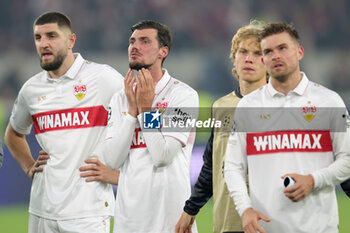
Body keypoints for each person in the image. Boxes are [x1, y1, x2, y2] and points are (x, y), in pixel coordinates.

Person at [224, 22, 350, 233]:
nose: (275, 56)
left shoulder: (328, 101)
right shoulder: (249, 106)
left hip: (319, 228)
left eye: (282, 48)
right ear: (263, 60)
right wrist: (245, 209)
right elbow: (232, 166)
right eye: (268, 52)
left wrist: (313, 180)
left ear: (299, 52)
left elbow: (347, 159)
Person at [4, 11, 123, 233]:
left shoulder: (103, 78)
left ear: (71, 40)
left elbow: (143, 117)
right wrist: (29, 165)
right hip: (41, 210)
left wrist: (119, 176)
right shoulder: (31, 89)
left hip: (88, 212)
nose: (43, 43)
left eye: (51, 36)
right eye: (38, 38)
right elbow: (13, 134)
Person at [100, 20, 199, 233]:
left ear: (163, 51)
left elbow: (162, 156)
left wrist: (145, 111)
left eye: (144, 41)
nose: (134, 46)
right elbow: (112, 160)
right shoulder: (119, 99)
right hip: (128, 221)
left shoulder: (183, 95)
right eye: (132, 41)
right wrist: (132, 113)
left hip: (170, 220)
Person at [175, 20, 267, 233]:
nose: (249, 58)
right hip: (227, 222)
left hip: (269, 223)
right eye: (242, 51)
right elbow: (211, 165)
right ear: (233, 59)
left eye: (257, 53)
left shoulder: (284, 106)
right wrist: (191, 210)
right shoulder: (221, 107)